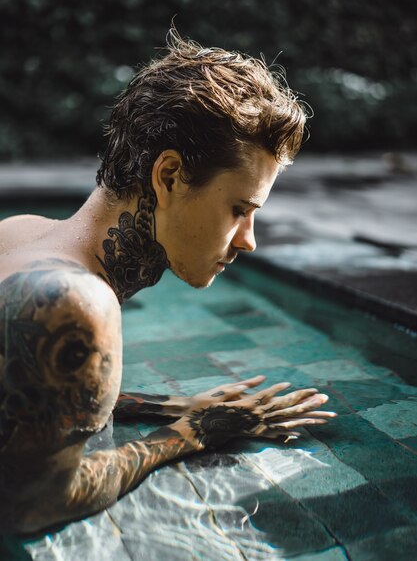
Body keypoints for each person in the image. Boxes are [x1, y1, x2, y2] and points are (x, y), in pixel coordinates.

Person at [0, 31, 336, 535]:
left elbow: (34, 394)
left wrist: (169, 405)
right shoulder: (73, 301)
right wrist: (191, 432)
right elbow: (36, 502)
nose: (249, 241)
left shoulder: (18, 233)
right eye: (239, 209)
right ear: (171, 176)